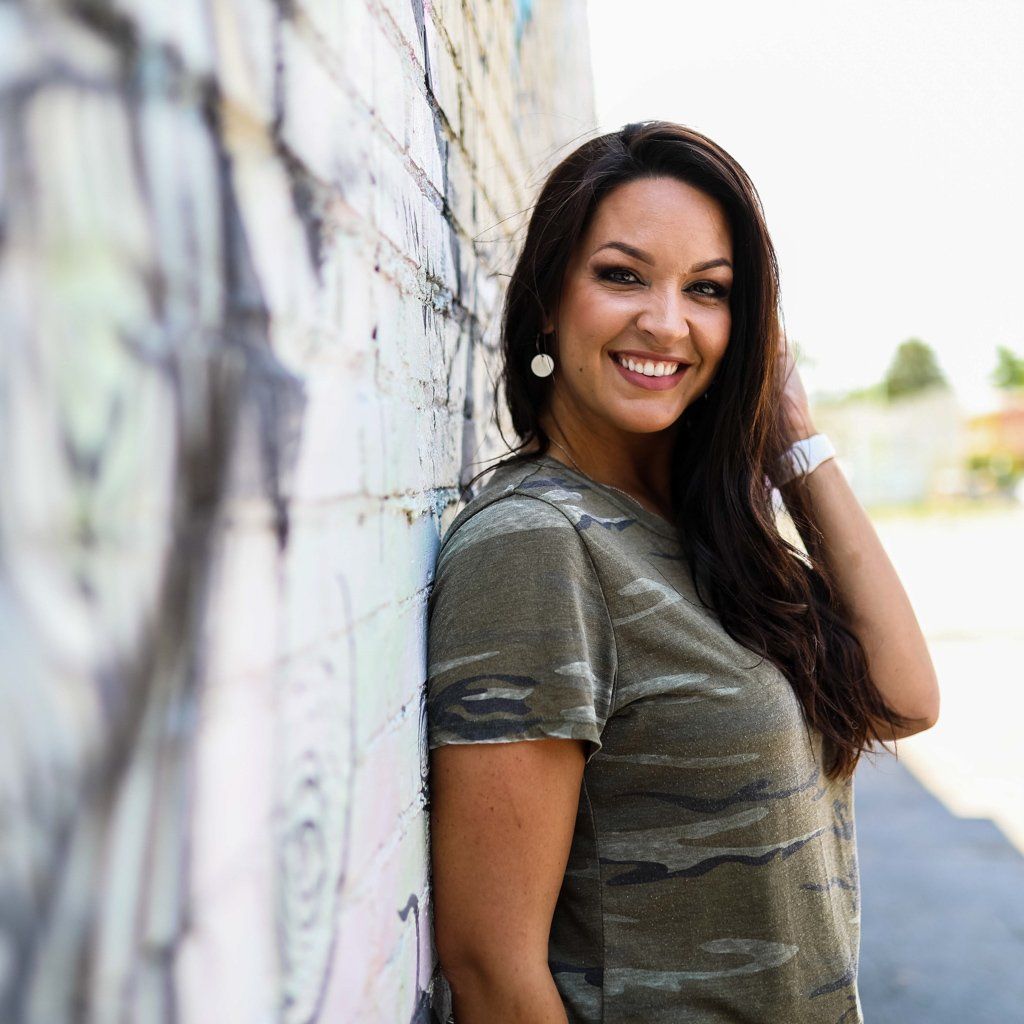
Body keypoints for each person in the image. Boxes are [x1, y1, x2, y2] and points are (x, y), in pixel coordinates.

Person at [424, 121, 940, 1024]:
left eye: (708, 290)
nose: (666, 322)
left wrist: (790, 437)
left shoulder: (702, 538)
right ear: (548, 298)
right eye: (622, 275)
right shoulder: (538, 546)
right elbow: (492, 970)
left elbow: (903, 697)